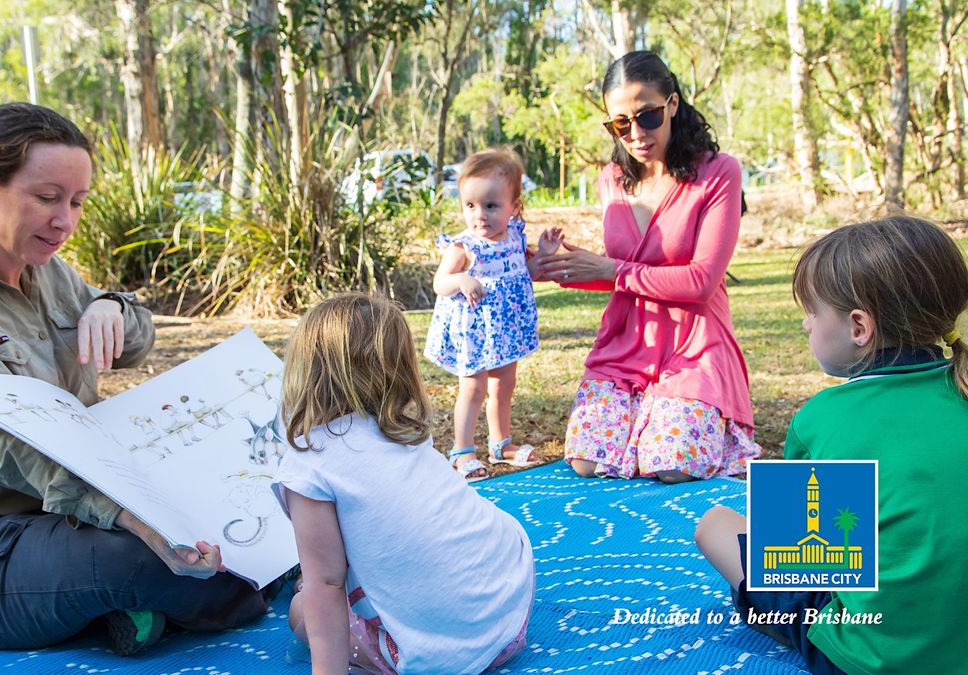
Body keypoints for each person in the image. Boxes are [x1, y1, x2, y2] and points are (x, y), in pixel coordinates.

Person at [0, 103, 272, 655]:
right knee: (146, 557)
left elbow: (136, 341)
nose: (64, 221)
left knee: (248, 501)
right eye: (46, 198)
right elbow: (10, 446)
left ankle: (144, 605)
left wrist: (113, 306)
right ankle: (253, 596)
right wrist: (133, 517)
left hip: (79, 519)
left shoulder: (51, 272)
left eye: (77, 202)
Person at [694, 215, 968, 675]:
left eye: (812, 311)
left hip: (868, 655)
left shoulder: (821, 419)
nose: (805, 325)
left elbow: (803, 562)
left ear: (859, 326)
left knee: (716, 524)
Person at [528, 51, 760, 482]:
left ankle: (691, 427)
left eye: (647, 116)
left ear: (672, 104)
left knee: (672, 465)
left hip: (695, 345)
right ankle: (645, 422)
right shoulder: (611, 178)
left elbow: (702, 281)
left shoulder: (718, 173)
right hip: (624, 346)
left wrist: (610, 269)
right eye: (620, 123)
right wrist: (556, 267)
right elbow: (620, 272)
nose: (635, 133)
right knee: (587, 462)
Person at [273, 293, 534, 674]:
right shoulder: (402, 429)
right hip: (509, 604)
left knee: (303, 608)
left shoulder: (309, 464)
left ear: (303, 369)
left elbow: (327, 584)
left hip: (441, 654)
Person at [424, 148, 563, 480]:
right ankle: (462, 451)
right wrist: (460, 278)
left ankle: (501, 443)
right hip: (473, 330)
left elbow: (522, 271)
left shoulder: (514, 236)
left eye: (491, 205)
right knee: (473, 388)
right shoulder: (463, 246)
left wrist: (543, 255)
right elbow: (439, 283)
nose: (479, 215)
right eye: (470, 206)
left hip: (505, 329)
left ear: (513, 207)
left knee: (504, 384)